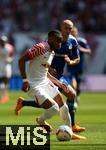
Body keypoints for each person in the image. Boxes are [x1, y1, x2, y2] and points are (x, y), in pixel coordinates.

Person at [15, 20, 86, 133]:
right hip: (34, 85)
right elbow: (21, 60)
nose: (60, 45)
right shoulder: (40, 47)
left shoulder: (52, 52)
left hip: (45, 82)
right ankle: (40, 121)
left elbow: (45, 72)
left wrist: (58, 83)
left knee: (63, 106)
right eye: (58, 42)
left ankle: (70, 132)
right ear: (52, 39)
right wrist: (25, 80)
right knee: (54, 108)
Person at [69, 26, 91, 109]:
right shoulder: (68, 41)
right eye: (71, 32)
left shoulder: (82, 41)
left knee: (78, 86)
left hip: (79, 67)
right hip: (70, 67)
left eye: (74, 31)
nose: (72, 33)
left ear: (77, 33)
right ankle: (73, 101)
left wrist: (81, 49)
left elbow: (89, 51)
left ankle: (76, 96)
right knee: (73, 85)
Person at [0, 35, 14, 103]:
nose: (2, 42)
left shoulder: (9, 47)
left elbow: (12, 55)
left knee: (6, 81)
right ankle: (4, 96)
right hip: (1, 65)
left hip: (7, 65)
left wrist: (10, 59)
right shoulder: (7, 47)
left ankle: (5, 95)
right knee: (2, 81)